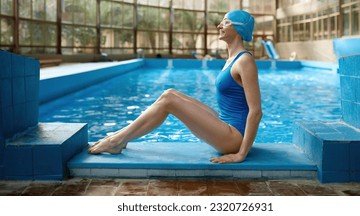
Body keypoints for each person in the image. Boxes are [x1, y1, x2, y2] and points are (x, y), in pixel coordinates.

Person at [88, 10, 263, 164]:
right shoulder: (232, 59)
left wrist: (241, 154)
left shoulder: (245, 60)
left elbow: (256, 112)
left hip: (234, 138)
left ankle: (115, 142)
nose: (219, 25)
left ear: (239, 29)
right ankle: (122, 137)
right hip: (225, 124)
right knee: (169, 93)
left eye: (226, 22)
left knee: (169, 100)